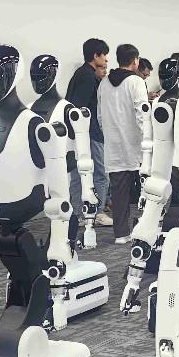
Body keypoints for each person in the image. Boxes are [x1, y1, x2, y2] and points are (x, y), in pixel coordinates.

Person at [98, 43, 149, 243]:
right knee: (147, 189)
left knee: (119, 193)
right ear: (135, 61)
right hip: (137, 146)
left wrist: (109, 135)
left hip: (113, 146)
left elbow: (100, 116)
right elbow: (142, 114)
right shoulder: (136, 82)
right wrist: (148, 140)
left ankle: (121, 234)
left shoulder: (104, 83)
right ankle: (146, 230)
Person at [67, 38, 113, 227]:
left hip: (80, 134)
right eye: (104, 55)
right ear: (95, 55)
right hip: (90, 133)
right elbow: (80, 109)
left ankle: (78, 214)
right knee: (100, 173)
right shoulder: (87, 76)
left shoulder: (81, 74)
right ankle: (98, 212)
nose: (106, 59)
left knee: (78, 175)